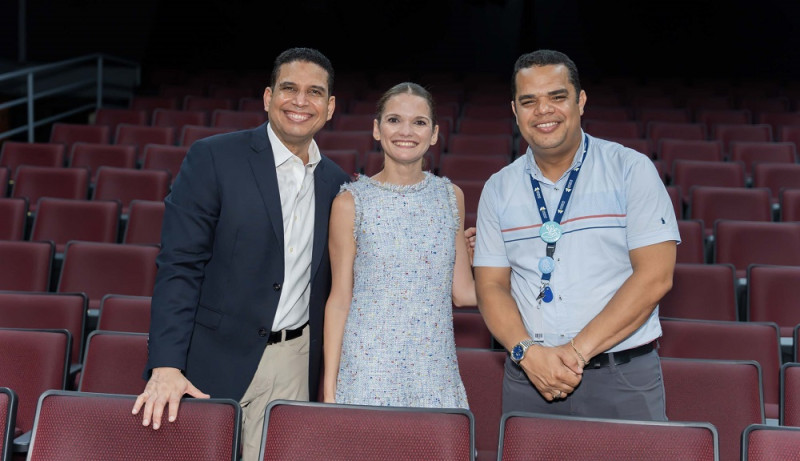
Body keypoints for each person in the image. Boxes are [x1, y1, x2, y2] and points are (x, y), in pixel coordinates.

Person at [131, 47, 351, 460]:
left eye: (314, 92)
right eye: (289, 88)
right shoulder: (213, 158)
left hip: (294, 364)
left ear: (330, 106)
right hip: (212, 360)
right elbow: (179, 267)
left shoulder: (337, 185)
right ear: (268, 97)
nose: (301, 102)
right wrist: (165, 365)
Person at [473, 49, 679, 420]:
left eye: (557, 97)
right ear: (515, 111)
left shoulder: (631, 170)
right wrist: (528, 354)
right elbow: (491, 287)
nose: (543, 111)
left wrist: (575, 354)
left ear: (580, 101)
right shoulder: (498, 188)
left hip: (623, 378)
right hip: (529, 378)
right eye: (529, 101)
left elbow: (655, 277)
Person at [323, 82, 476, 408]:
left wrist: (509, 268)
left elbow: (463, 293)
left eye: (419, 122)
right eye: (394, 120)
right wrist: (328, 387)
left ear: (434, 134)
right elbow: (339, 299)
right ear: (377, 130)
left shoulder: (452, 198)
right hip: (366, 370)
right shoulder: (350, 202)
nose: (406, 131)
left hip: (433, 370)